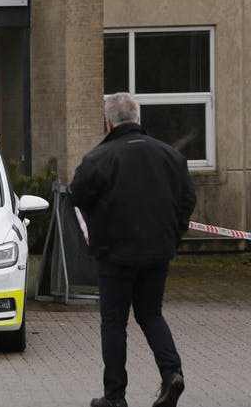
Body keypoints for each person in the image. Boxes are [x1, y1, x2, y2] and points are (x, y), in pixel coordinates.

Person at [70, 93, 196, 407]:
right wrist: (172, 237)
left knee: (114, 323)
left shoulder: (99, 158)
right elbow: (187, 201)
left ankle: (115, 397)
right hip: (158, 253)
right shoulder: (170, 156)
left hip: (115, 255)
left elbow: (77, 195)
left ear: (108, 122)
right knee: (151, 314)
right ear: (138, 119)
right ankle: (172, 374)